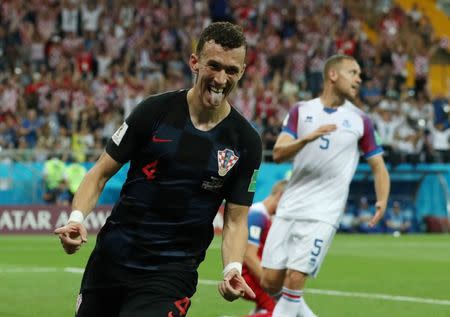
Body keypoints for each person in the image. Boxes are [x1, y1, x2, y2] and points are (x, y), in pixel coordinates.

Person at [54, 22, 262, 317]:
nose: (220, 78)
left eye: (231, 70)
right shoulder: (154, 112)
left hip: (171, 273)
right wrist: (76, 218)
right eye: (213, 66)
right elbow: (99, 173)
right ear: (195, 62)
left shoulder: (246, 142)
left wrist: (232, 267)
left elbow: (235, 220)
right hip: (112, 261)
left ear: (241, 72)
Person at [260, 55, 391, 317]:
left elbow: (378, 166)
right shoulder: (302, 110)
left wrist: (382, 199)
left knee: (296, 278)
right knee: (271, 281)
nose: (359, 78)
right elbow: (278, 153)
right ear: (333, 75)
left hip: (324, 212)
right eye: (353, 72)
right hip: (290, 206)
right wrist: (305, 139)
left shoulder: (360, 120)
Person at [241, 179, 287, 316]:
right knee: (277, 312)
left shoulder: (265, 216)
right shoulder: (257, 215)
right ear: (280, 196)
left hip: (253, 274)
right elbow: (249, 256)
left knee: (275, 308)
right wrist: (269, 282)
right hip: (248, 275)